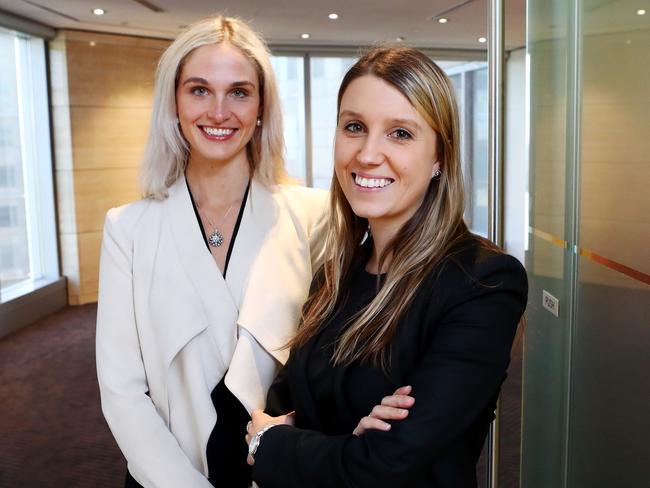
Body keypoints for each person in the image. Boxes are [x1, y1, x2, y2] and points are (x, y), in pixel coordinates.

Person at [245, 45, 528, 487]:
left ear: (439, 157)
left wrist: (270, 445)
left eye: (400, 133)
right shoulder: (337, 273)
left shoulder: (483, 282)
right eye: (354, 127)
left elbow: (382, 464)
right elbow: (285, 401)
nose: (368, 154)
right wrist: (351, 442)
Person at [94, 16, 330, 488]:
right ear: (174, 102)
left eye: (239, 92)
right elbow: (122, 390)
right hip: (164, 475)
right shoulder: (129, 228)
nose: (219, 111)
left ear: (262, 106)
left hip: (278, 470)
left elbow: (335, 358)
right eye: (199, 90)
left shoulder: (313, 215)